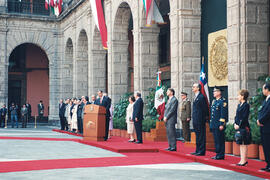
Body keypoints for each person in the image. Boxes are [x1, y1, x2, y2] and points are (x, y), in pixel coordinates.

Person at [210, 86, 228, 160]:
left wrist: (221, 124)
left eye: (215, 91)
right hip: (214, 124)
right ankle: (217, 153)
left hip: (219, 124)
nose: (213, 93)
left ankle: (220, 154)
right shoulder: (215, 101)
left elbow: (223, 114)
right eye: (213, 91)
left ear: (219, 92)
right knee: (216, 140)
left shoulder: (222, 102)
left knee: (220, 139)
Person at [191, 83, 208, 156]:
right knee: (197, 135)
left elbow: (204, 109)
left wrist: (203, 118)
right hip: (195, 119)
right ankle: (197, 150)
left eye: (194, 87)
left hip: (200, 119)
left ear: (198, 88)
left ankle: (201, 151)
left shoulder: (201, 97)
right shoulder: (195, 96)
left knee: (201, 135)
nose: (192, 88)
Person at [234, 89, 251, 166]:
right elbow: (236, 116)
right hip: (238, 126)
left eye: (239, 95)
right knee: (240, 143)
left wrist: (239, 125)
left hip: (244, 126)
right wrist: (235, 123)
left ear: (243, 96)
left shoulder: (246, 105)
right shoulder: (239, 105)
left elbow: (244, 117)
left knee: (244, 144)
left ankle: (244, 160)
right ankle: (241, 159)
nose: (238, 96)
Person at [257, 83, 270, 172]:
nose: (262, 91)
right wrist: (258, 120)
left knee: (268, 146)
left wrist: (260, 120)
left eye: (263, 89)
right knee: (265, 146)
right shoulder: (266, 99)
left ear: (267, 89)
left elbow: (268, 113)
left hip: (268, 127)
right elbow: (261, 111)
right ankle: (268, 164)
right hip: (264, 127)